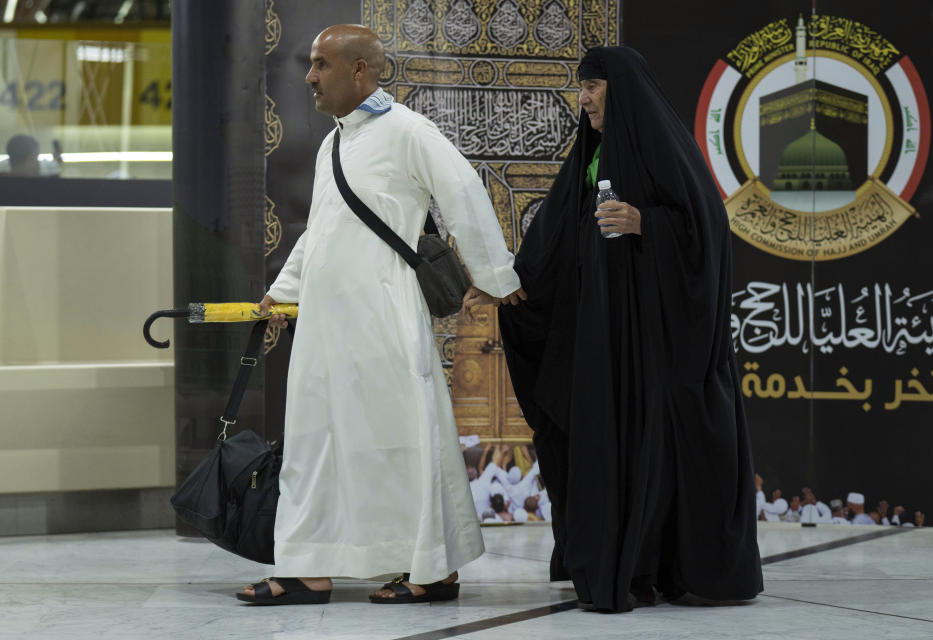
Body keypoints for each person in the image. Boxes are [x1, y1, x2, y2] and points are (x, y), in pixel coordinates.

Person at [238, 24, 524, 606]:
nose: (310, 77)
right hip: (325, 324)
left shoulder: (409, 132)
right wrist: (284, 289)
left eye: (321, 65)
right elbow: (321, 230)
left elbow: (465, 193)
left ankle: (433, 569)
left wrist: (496, 279)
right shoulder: (333, 143)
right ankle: (308, 565)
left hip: (385, 318)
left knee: (402, 441)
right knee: (315, 442)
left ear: (359, 71)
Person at [468, 45, 763, 612]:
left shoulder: (669, 152)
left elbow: (706, 236)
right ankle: (615, 564)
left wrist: (643, 222)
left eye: (593, 88)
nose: (583, 99)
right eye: (581, 88)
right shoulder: (591, 156)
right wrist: (506, 284)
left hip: (656, 352)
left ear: (621, 91)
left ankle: (660, 567)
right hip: (604, 348)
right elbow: (553, 242)